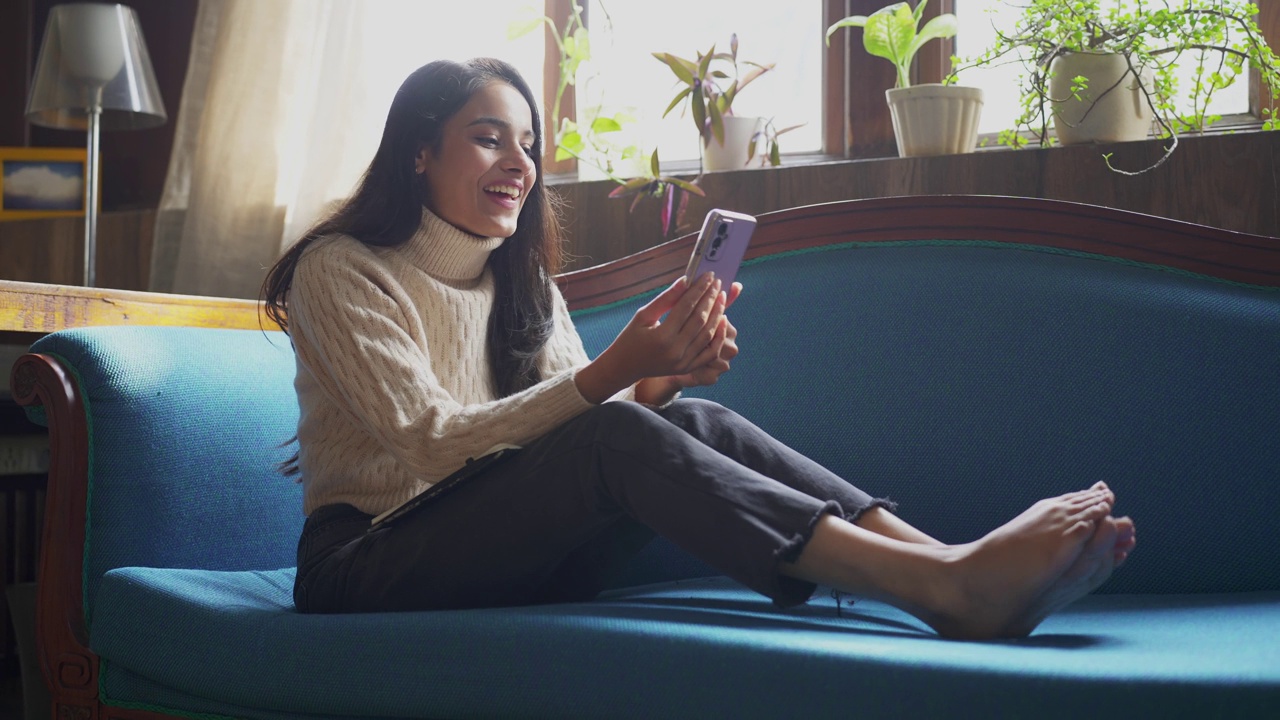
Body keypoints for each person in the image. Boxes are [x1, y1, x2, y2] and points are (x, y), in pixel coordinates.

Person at [261, 57, 1135, 640]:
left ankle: (946, 559)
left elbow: (562, 440)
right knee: (618, 431)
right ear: (418, 152)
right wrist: (616, 376)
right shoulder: (340, 270)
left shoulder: (520, 282)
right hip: (367, 566)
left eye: (529, 144)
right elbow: (435, 441)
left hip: (509, 557)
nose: (520, 164)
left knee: (695, 415)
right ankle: (941, 591)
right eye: (489, 137)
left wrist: (652, 385)